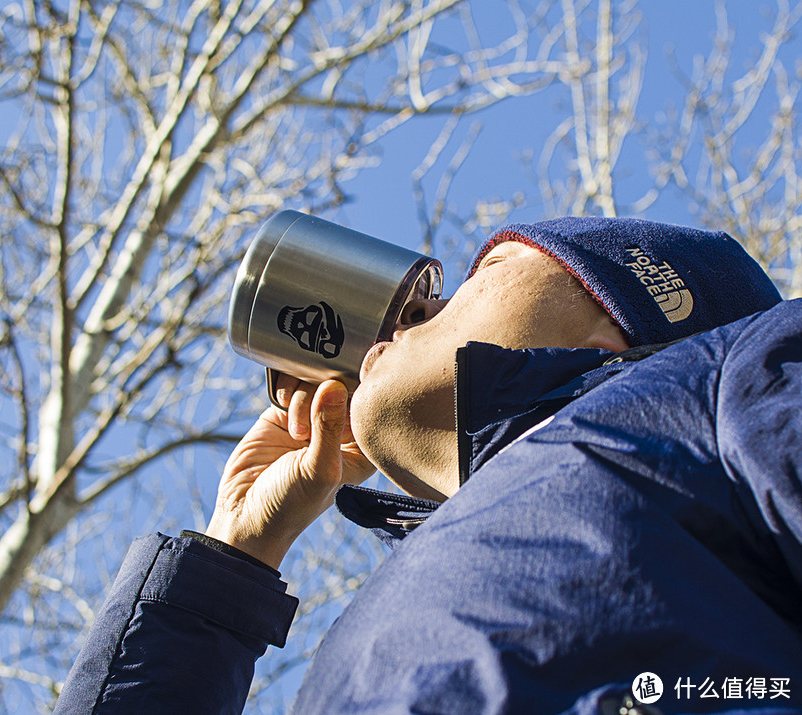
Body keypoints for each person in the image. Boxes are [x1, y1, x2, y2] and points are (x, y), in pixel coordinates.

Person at [53, 217, 802, 714]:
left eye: (478, 274)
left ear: (617, 319)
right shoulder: (383, 619)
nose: (413, 307)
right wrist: (224, 565)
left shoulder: (737, 380)